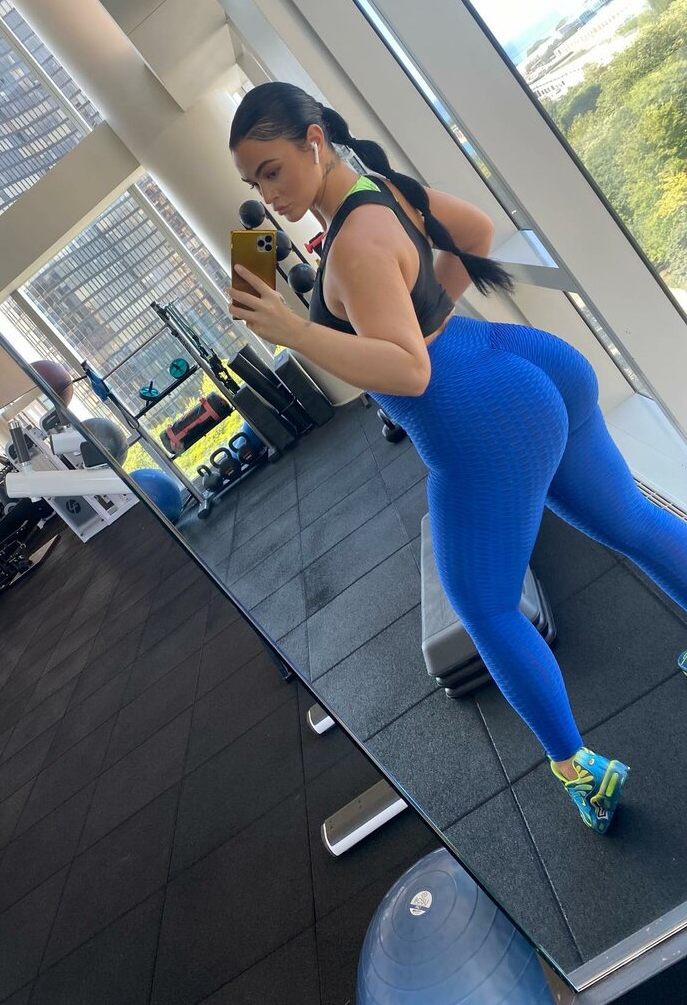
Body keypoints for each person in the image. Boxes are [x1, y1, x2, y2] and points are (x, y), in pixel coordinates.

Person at [227, 82, 687, 834]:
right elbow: (474, 227)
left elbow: (409, 373)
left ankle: (582, 773)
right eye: (254, 183)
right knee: (631, 519)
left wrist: (296, 331)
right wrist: (428, 316)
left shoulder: (352, 247)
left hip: (484, 416)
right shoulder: (378, 191)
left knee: (485, 606)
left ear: (313, 141)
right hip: (532, 362)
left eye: (272, 170)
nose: (268, 195)